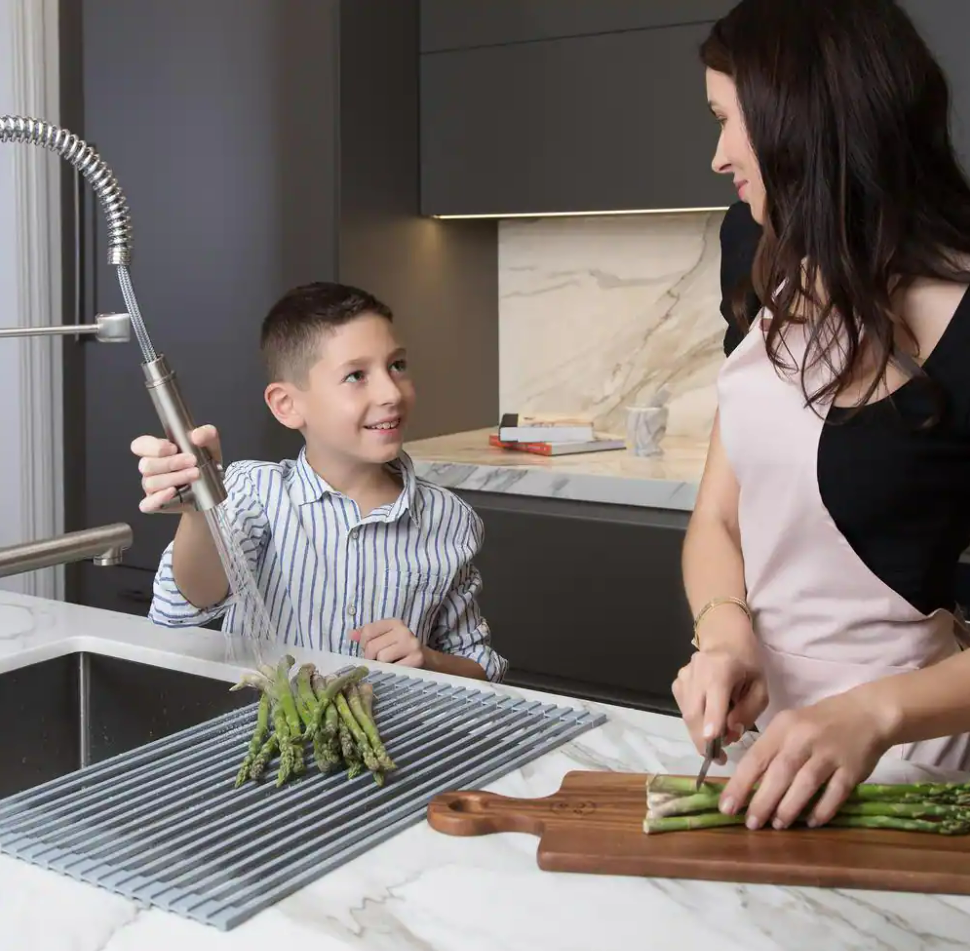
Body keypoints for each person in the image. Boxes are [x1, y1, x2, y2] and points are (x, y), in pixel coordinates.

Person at [675, 0, 970, 833]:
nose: (718, 153)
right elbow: (717, 518)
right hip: (753, 757)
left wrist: (871, 716)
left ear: (804, 124)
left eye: (729, 121)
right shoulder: (760, 252)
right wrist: (724, 636)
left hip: (910, 778)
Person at [132, 281, 508, 683]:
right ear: (287, 405)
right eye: (356, 375)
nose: (390, 393)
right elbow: (185, 607)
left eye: (396, 365)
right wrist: (199, 509)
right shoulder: (254, 492)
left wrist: (429, 660)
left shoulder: (449, 519)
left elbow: (479, 667)